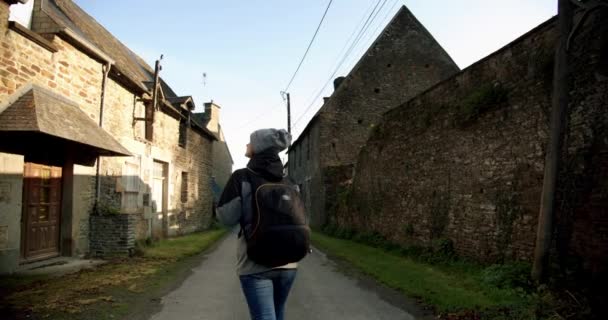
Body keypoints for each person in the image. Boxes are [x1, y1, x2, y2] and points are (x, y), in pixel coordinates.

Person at [216, 128, 298, 320]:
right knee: (277, 314)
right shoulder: (289, 181)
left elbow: (226, 218)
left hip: (255, 264)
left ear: (258, 147)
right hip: (289, 263)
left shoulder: (242, 177)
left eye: (250, 142)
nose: (246, 145)